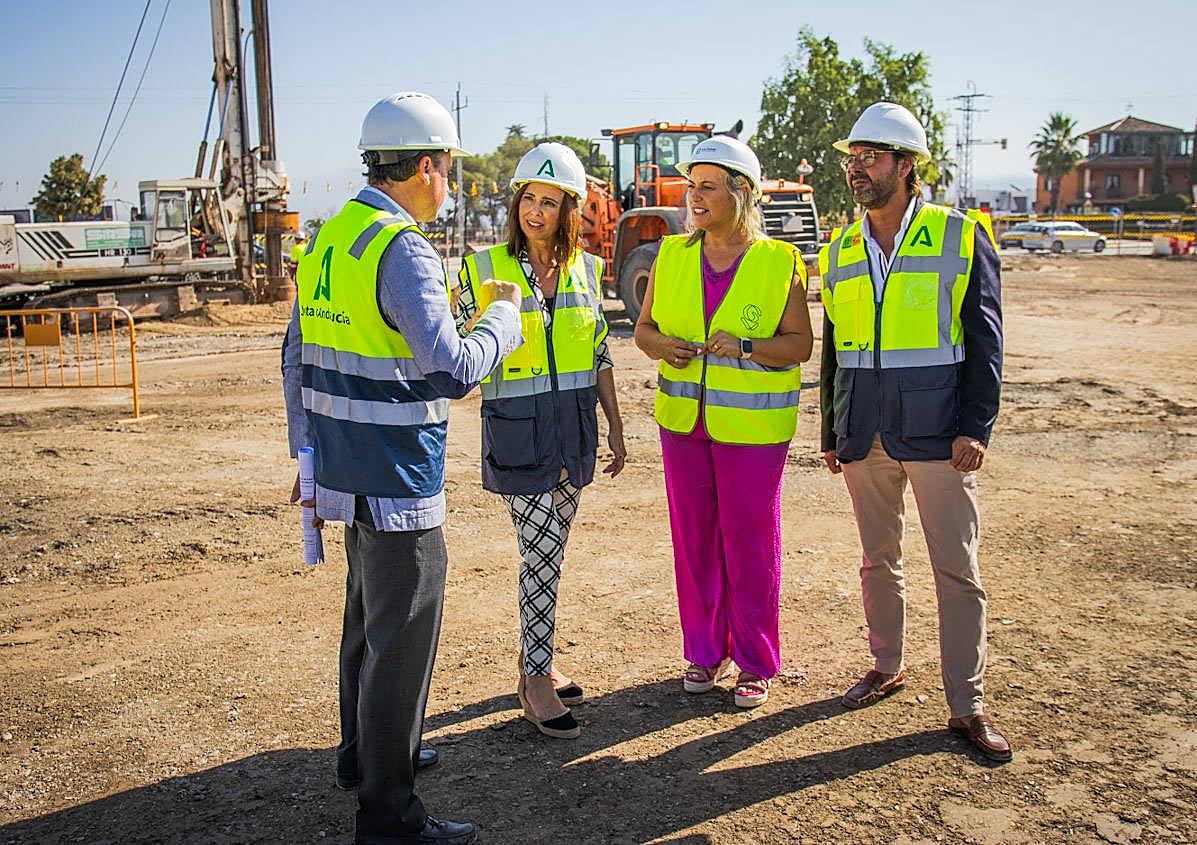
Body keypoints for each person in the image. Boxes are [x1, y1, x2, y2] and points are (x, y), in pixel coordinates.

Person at [282, 91, 525, 845]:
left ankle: (364, 755)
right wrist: (502, 320)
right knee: (402, 636)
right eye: (448, 167)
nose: (449, 181)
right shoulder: (402, 246)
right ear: (426, 165)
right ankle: (389, 814)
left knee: (366, 620)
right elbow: (452, 369)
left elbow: (294, 353)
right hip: (395, 474)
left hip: (345, 465)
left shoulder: (331, 236)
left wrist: (306, 453)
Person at [818, 102, 1010, 762]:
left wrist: (975, 425)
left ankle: (968, 702)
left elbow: (986, 339)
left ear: (906, 165)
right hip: (864, 429)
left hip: (937, 434)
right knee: (878, 559)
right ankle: (885, 664)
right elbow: (833, 349)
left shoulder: (959, 234)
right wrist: (830, 429)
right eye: (852, 159)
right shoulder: (838, 247)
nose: (856, 169)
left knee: (956, 570)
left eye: (869, 158)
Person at [633, 136, 813, 709]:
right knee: (695, 541)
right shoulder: (672, 254)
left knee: (749, 539)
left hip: (753, 433)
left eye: (708, 187)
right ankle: (705, 652)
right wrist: (666, 345)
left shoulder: (778, 261)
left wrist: (748, 346)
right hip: (684, 424)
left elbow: (801, 345)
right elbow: (643, 332)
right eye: (692, 187)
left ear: (743, 192)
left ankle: (756, 662)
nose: (694, 198)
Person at [454, 143, 626, 739]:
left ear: (569, 209)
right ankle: (534, 678)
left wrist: (617, 423)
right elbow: (453, 351)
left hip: (574, 429)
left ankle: (539, 661)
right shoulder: (480, 270)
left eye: (549, 201)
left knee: (552, 553)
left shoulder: (587, 269)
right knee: (541, 552)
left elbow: (599, 350)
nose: (535, 211)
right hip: (518, 430)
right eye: (529, 197)